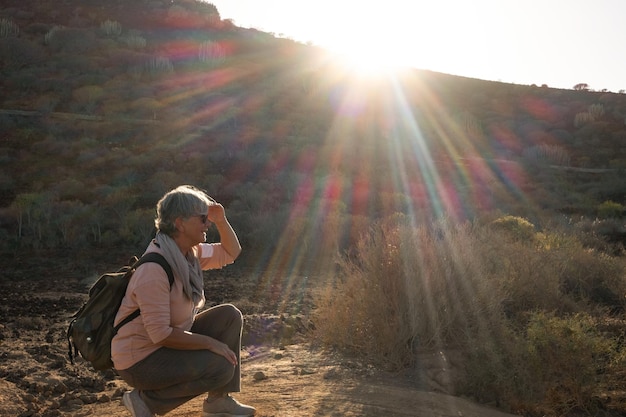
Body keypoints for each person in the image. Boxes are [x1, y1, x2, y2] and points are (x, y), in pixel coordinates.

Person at [112, 185, 256, 417]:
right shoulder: (154, 269)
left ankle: (219, 401)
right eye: (202, 219)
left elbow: (232, 252)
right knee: (220, 366)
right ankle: (146, 402)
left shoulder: (189, 254)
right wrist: (210, 344)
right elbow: (160, 334)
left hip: (166, 344)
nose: (207, 224)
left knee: (228, 316)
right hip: (140, 361)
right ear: (179, 223)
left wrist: (221, 220)